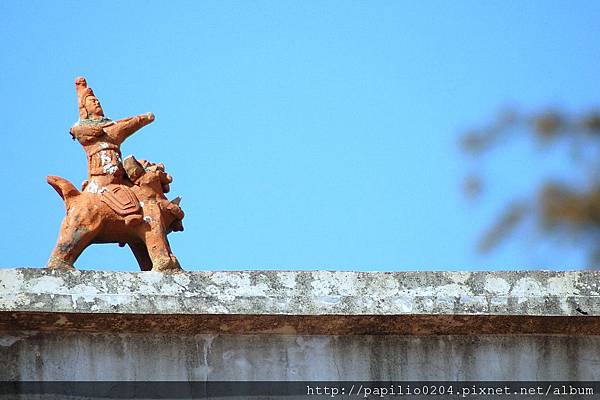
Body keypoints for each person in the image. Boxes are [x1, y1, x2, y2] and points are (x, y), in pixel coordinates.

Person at [70, 76, 155, 192]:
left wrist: (143, 118)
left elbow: (122, 124)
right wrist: (143, 119)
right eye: (92, 100)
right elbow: (121, 128)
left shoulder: (110, 124)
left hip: (119, 172)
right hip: (102, 171)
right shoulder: (83, 128)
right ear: (85, 107)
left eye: (97, 100)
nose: (97, 102)